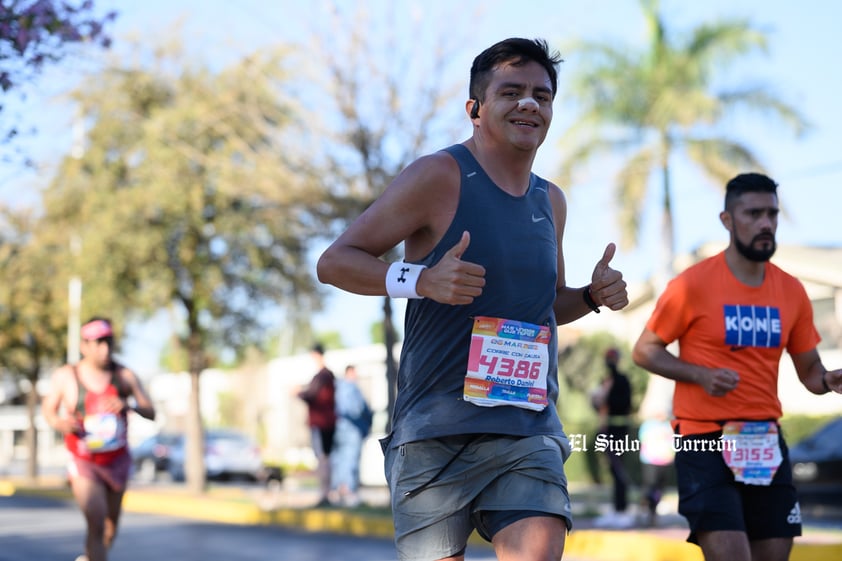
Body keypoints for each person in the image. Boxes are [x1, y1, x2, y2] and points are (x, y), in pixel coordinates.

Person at [317, 37, 629, 561]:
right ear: (476, 109)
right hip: (437, 430)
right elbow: (335, 261)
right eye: (511, 92)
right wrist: (420, 280)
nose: (530, 104)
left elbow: (545, 308)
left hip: (526, 427)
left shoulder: (550, 200)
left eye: (542, 95)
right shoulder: (439, 176)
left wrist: (592, 297)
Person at [631, 172, 842, 561]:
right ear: (727, 220)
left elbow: (810, 370)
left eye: (772, 214)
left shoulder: (791, 290)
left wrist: (828, 379)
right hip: (704, 441)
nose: (766, 223)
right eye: (754, 213)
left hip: (764, 441)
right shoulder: (692, 285)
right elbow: (644, 350)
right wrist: (700, 375)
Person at [41, 317, 156, 561]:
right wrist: (59, 423)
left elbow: (151, 411)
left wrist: (128, 404)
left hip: (117, 461)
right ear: (84, 346)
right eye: (98, 343)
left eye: (109, 342)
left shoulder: (124, 375)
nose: (105, 348)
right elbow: (49, 410)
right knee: (96, 522)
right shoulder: (66, 376)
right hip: (84, 461)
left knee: (110, 528)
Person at [591, 348, 634, 528]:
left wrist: (607, 394)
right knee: (613, 470)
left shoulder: (621, 380)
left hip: (618, 430)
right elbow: (598, 405)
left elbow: (623, 404)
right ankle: (617, 509)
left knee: (618, 470)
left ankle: (622, 510)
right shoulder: (606, 380)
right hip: (608, 429)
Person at [295, 343, 337, 507]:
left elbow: (311, 394)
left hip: (321, 422)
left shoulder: (322, 376)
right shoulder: (329, 376)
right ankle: (326, 493)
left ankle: (324, 493)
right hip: (327, 422)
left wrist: (298, 392)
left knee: (322, 458)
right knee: (325, 457)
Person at [330, 364, 372, 507]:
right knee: (350, 460)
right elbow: (356, 410)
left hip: (340, 429)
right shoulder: (351, 389)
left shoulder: (338, 388)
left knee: (340, 460)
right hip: (352, 430)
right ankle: (348, 491)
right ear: (349, 373)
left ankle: (338, 490)